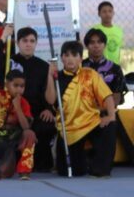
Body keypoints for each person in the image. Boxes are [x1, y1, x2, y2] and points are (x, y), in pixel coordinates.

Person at [46, 41, 117, 178]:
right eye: (66, 55)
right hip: (68, 129)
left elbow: (107, 96)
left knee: (110, 125)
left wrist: (111, 116)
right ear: (62, 58)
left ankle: (100, 169)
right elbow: (50, 100)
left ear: (80, 58)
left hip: (91, 122)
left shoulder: (89, 74)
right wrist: (49, 76)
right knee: (71, 171)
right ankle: (85, 162)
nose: (70, 59)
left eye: (74, 55)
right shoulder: (57, 77)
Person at [8, 28, 57, 173]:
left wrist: (48, 108)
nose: (28, 44)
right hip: (14, 110)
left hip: (37, 111)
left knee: (46, 125)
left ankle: (40, 163)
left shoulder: (44, 66)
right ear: (18, 43)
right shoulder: (9, 63)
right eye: (24, 41)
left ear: (36, 44)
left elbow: (49, 93)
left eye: (32, 41)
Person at [0, 69, 35, 179]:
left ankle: (24, 170)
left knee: (29, 134)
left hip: (12, 140)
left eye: (22, 86)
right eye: (15, 85)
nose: (19, 89)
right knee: (4, 173)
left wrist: (18, 107)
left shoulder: (24, 103)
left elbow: (26, 127)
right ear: (7, 84)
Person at [83, 28, 127, 106]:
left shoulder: (115, 69)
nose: (96, 46)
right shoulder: (80, 67)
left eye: (99, 42)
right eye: (92, 42)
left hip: (108, 112)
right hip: (83, 111)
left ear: (105, 45)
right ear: (87, 46)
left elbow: (116, 100)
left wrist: (97, 110)